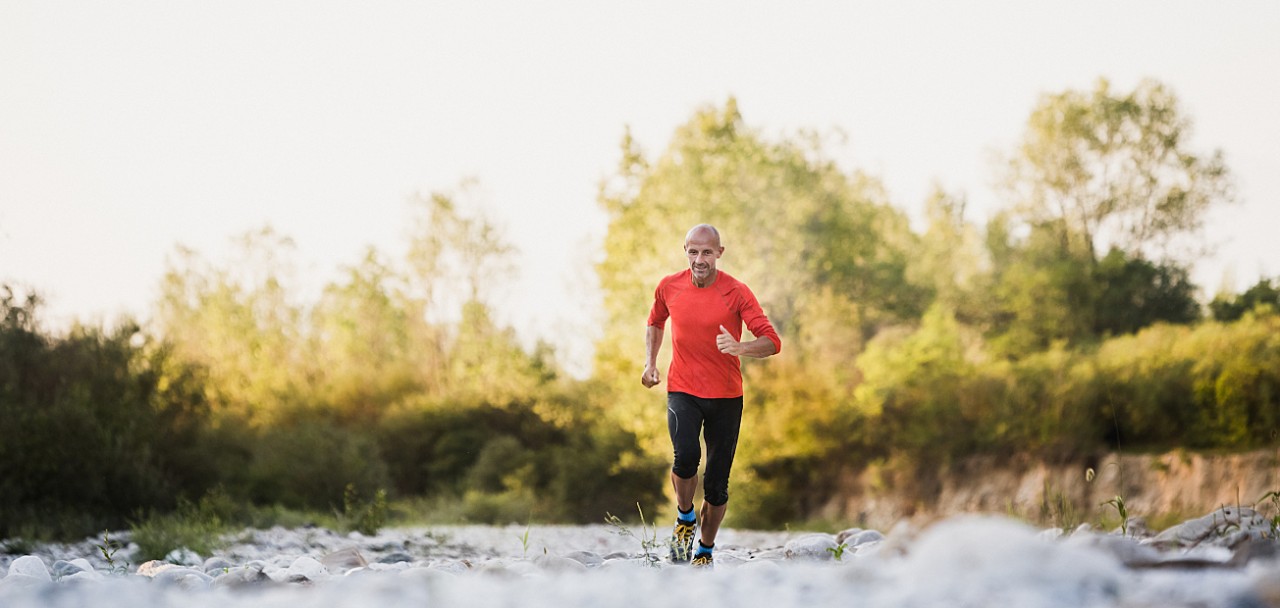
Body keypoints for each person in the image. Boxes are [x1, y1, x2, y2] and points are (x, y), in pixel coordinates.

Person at [641, 223, 781, 568]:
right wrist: (650, 363)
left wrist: (739, 347)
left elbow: (771, 341)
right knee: (685, 457)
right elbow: (656, 322)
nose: (699, 259)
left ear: (719, 253)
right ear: (685, 250)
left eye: (706, 252)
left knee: (717, 484)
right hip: (683, 389)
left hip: (726, 396)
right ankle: (685, 517)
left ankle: (704, 549)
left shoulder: (736, 292)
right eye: (693, 251)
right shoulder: (669, 286)